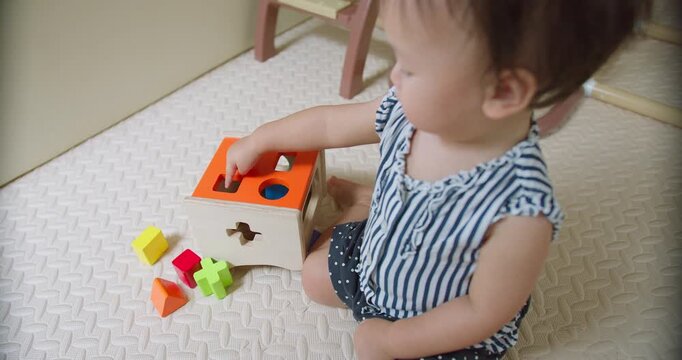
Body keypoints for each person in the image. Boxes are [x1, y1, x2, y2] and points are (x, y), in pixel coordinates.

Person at [224, 1, 649, 358]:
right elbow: (331, 125)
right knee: (314, 277)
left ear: (502, 92)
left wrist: (393, 339)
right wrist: (264, 138)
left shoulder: (521, 210)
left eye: (409, 67)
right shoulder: (408, 109)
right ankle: (364, 206)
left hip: (445, 327)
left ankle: (363, 206)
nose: (393, 77)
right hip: (376, 266)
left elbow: (484, 311)